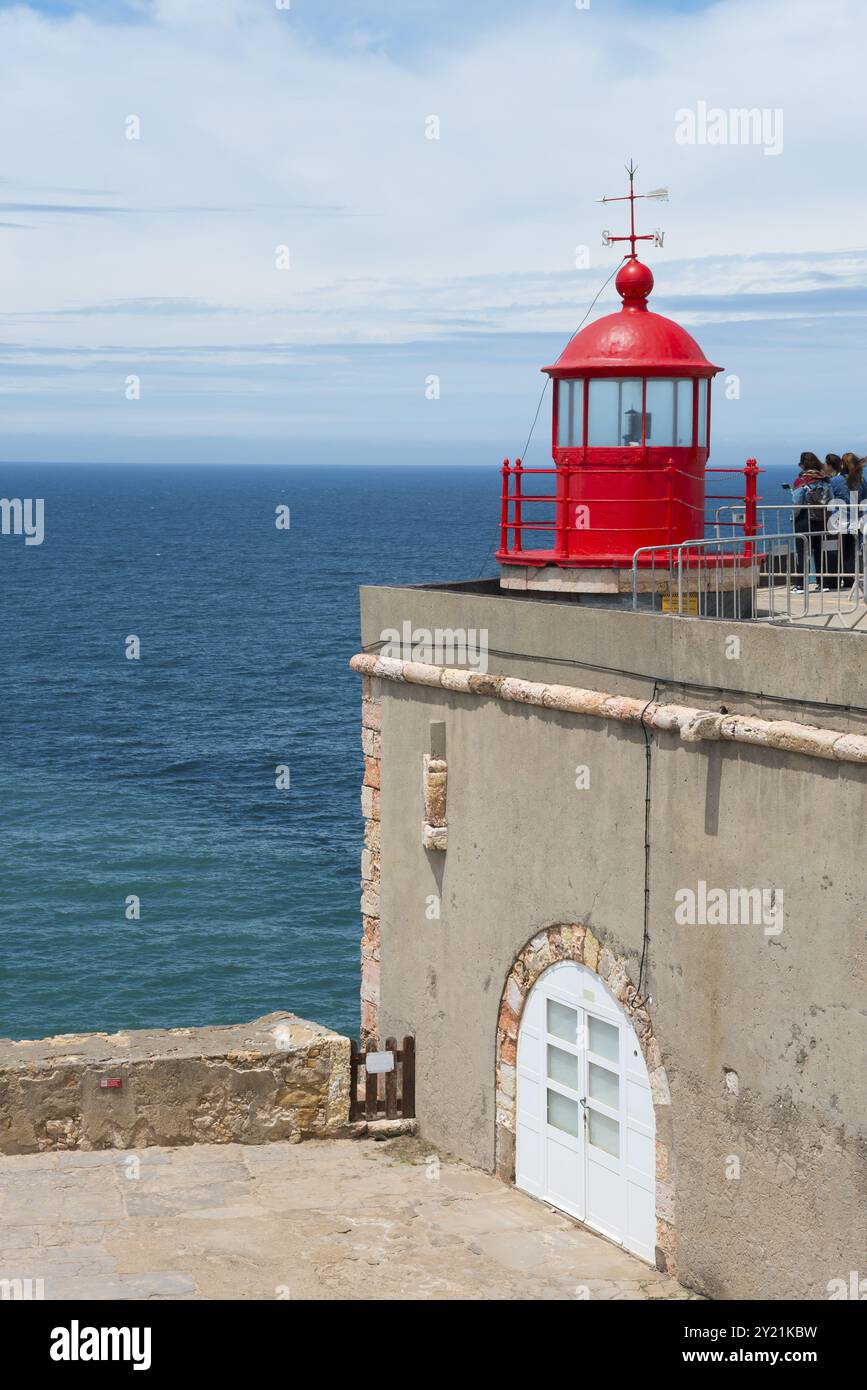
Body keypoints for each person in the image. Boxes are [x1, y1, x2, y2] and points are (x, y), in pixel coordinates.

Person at [791, 452, 829, 593]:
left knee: (802, 552)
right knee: (818, 552)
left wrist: (794, 517)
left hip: (804, 519)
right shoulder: (824, 480)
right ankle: (822, 584)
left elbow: (796, 503)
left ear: (803, 464)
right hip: (820, 518)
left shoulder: (801, 481)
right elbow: (829, 499)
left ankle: (800, 585)